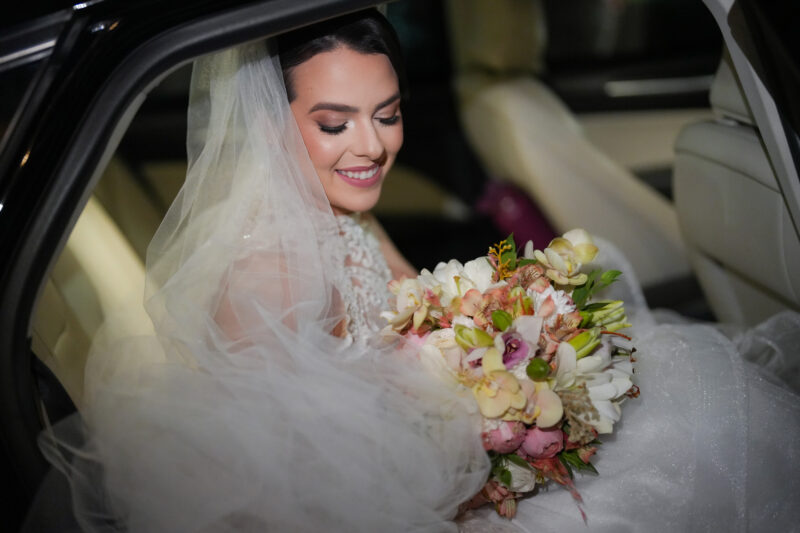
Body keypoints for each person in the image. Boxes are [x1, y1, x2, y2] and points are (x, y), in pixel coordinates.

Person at [36, 8, 800, 533]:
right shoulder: (269, 274)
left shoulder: (341, 211)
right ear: (272, 122)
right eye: (334, 123)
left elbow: (421, 301)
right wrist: (486, 443)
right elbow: (293, 499)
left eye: (388, 113)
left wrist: (508, 334)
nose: (371, 146)